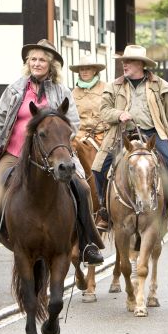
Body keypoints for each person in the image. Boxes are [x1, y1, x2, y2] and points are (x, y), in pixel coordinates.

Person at [0, 39, 105, 272]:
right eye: (33, 59)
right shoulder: (14, 90)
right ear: (27, 63)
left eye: (42, 60)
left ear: (50, 64)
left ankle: (88, 244)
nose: (36, 63)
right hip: (15, 153)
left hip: (53, 154)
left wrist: (56, 136)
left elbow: (72, 123)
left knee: (83, 188)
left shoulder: (62, 91)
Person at [91, 44, 168, 232]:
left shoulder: (159, 85)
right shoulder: (114, 86)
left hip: (154, 134)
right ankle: (104, 210)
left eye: (129, 62)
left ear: (141, 64)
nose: (124, 65)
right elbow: (103, 111)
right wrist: (119, 114)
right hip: (122, 135)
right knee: (98, 168)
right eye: (123, 61)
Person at [70, 53, 110, 230]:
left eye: (88, 68)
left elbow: (111, 113)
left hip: (101, 135)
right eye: (81, 69)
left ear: (95, 70)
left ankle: (105, 206)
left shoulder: (106, 89)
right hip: (78, 135)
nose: (84, 71)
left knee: (108, 167)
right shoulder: (73, 92)